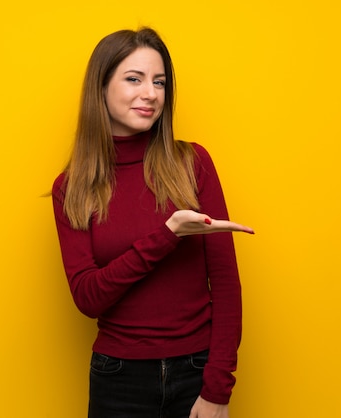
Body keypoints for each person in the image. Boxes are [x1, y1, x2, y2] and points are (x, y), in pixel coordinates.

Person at [52, 27, 254, 418]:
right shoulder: (72, 188)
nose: (151, 93)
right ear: (101, 87)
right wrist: (168, 235)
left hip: (197, 373)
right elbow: (88, 297)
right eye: (134, 79)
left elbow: (226, 284)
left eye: (159, 82)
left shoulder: (191, 164)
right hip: (117, 379)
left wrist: (218, 388)